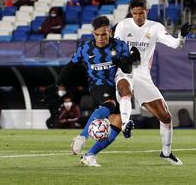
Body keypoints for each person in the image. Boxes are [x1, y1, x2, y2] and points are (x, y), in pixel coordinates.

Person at [113, 0, 191, 165]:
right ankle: (126, 124)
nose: (138, 17)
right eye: (135, 13)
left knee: (166, 116)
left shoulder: (155, 27)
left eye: (141, 13)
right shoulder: (123, 25)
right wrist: (125, 57)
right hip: (124, 71)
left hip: (142, 75)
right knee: (125, 90)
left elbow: (174, 44)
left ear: (146, 11)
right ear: (131, 12)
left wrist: (181, 36)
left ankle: (166, 152)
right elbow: (116, 47)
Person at [58, 16, 140, 166]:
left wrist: (130, 59)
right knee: (109, 103)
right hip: (97, 84)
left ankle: (89, 155)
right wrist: (59, 81)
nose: (100, 38)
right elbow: (71, 65)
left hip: (115, 84)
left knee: (117, 121)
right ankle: (82, 137)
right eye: (97, 34)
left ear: (109, 31)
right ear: (93, 33)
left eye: (104, 34)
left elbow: (126, 69)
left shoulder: (120, 45)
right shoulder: (85, 48)